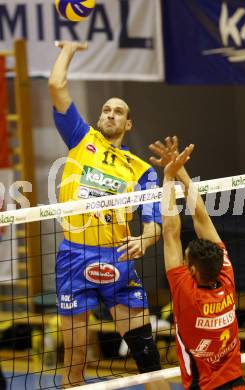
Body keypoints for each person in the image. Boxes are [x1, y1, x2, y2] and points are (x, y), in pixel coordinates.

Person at [48, 41, 169, 389]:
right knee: (75, 359)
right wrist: (68, 50)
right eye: (106, 109)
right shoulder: (80, 138)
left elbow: (154, 222)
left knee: (148, 358)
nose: (111, 113)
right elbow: (56, 86)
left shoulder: (142, 169)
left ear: (128, 124)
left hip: (117, 260)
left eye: (118, 111)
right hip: (74, 258)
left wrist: (145, 240)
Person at [149, 137, 245, 390]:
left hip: (201, 385)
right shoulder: (226, 274)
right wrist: (179, 169)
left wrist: (169, 176)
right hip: (236, 382)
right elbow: (201, 217)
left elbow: (170, 232)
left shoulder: (187, 294)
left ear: (191, 270)